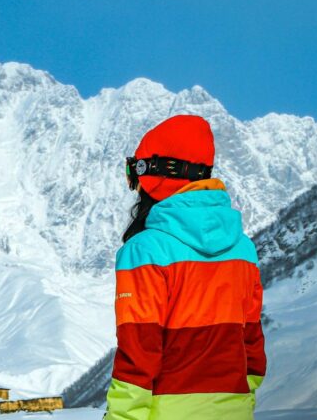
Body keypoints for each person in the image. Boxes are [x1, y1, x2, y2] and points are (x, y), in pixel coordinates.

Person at [105, 115, 266, 420]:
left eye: (134, 173)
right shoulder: (244, 249)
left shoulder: (145, 250)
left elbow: (137, 357)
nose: (134, 187)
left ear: (154, 175)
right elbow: (252, 349)